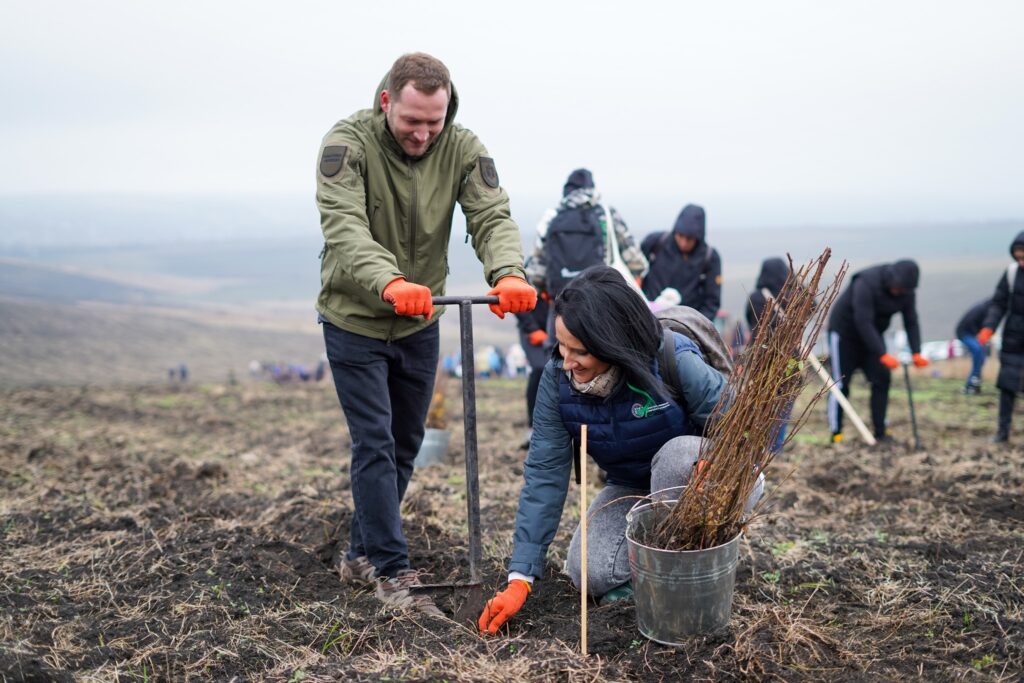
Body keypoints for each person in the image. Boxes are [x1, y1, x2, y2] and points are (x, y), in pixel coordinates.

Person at [315, 52, 536, 616]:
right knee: (375, 441)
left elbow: (490, 214)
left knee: (408, 443)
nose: (422, 133)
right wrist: (388, 279)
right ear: (388, 101)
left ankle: (360, 554)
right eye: (412, 121)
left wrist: (507, 270)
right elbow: (344, 227)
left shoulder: (462, 147)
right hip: (356, 319)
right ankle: (391, 573)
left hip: (420, 320)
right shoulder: (348, 145)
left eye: (433, 122)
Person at [477, 265, 761, 635]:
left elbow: (742, 424)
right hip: (633, 485)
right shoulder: (557, 380)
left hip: (706, 476)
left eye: (579, 351)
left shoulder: (672, 357)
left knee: (674, 459)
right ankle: (659, 576)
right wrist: (520, 577)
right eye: (561, 345)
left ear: (613, 342)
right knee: (588, 573)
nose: (567, 361)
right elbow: (545, 474)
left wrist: (719, 459)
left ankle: (689, 579)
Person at [826, 259, 929, 444]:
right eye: (898, 288)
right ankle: (836, 434)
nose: (899, 292)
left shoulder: (907, 292)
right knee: (841, 384)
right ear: (891, 279)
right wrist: (882, 353)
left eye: (904, 290)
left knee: (882, 379)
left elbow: (911, 321)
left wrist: (916, 351)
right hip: (844, 335)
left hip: (873, 336)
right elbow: (863, 321)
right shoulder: (866, 283)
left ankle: (880, 431)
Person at [525, 168, 648, 303]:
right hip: (601, 298)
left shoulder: (551, 217)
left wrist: (545, 291)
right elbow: (633, 256)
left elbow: (537, 264)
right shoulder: (606, 214)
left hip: (562, 298)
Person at [976, 232, 1024, 443]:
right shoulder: (1012, 273)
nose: (1021, 261)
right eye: (1018, 257)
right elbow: (999, 303)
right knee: (1007, 385)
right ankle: (1002, 432)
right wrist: (989, 327)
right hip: (1013, 337)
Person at [641, 204, 722, 321]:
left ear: (698, 237)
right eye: (680, 236)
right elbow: (634, 272)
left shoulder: (710, 258)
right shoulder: (655, 243)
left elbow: (712, 302)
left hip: (686, 327)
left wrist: (695, 327)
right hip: (647, 318)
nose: (683, 243)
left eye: (689, 239)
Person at [745, 257, 793, 452]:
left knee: (762, 406)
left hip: (764, 361)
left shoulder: (758, 297)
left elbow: (754, 325)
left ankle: (760, 447)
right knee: (784, 406)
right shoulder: (793, 296)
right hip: (792, 359)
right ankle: (775, 448)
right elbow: (812, 306)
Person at [514, 287, 550, 449]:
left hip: (561, 324)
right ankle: (534, 428)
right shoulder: (531, 271)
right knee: (541, 369)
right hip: (533, 329)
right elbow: (518, 299)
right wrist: (532, 328)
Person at [955, 299, 992, 395]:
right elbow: (970, 323)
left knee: (981, 356)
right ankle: (971, 383)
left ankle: (975, 382)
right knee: (978, 350)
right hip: (965, 332)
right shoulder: (983, 309)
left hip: (972, 333)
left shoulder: (987, 308)